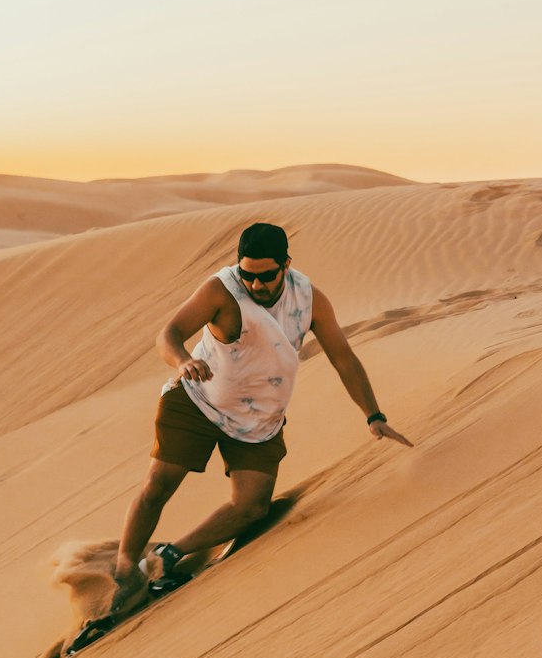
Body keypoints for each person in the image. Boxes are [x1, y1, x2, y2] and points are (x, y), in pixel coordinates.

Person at [113, 222, 413, 609]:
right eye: (247, 275)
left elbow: (342, 357)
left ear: (286, 265)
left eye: (266, 276)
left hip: (259, 419)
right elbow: (167, 334)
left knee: (253, 507)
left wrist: (373, 414)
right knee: (157, 487)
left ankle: (167, 556)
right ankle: (123, 574)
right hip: (198, 400)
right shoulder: (220, 290)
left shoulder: (309, 299)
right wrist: (184, 360)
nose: (255, 285)